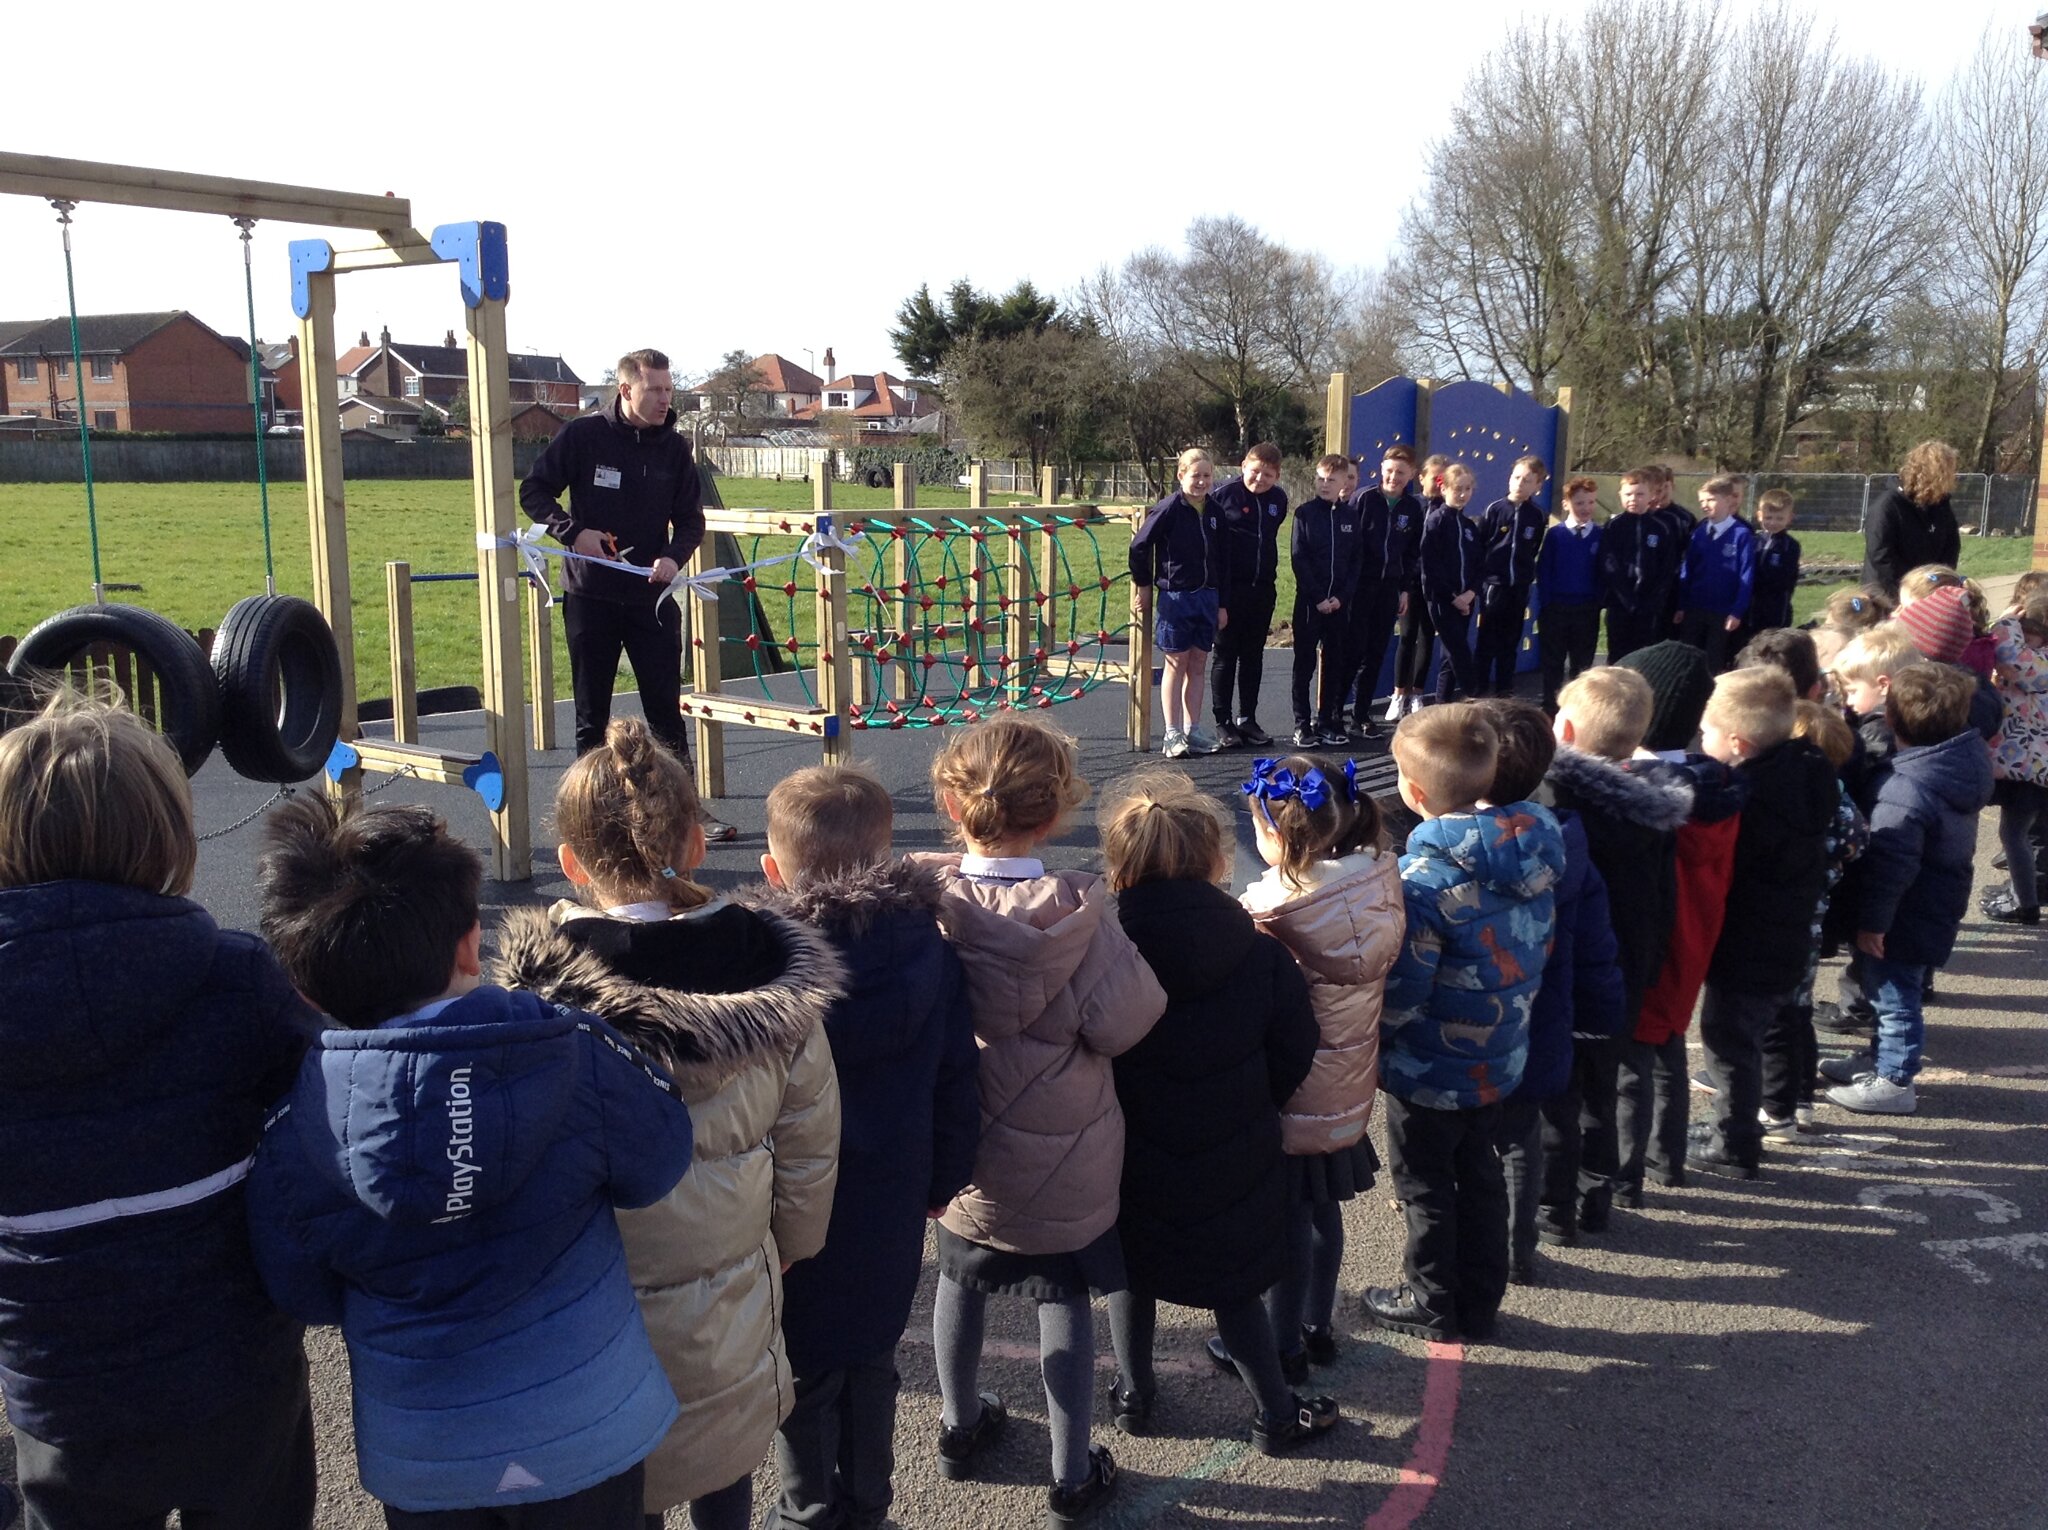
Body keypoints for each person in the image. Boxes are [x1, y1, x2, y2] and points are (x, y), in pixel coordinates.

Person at [247, 791, 696, 1526]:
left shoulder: (297, 1125)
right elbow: (659, 1163)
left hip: (430, 1451)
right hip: (584, 1427)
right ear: (469, 943)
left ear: (303, 986)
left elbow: (298, 1284)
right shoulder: (571, 1049)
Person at [491, 719, 843, 1530]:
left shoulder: (529, 1006)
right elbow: (809, 1141)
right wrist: (793, 1245)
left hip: (596, 1300)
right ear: (693, 842)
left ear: (570, 862)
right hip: (732, 1280)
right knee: (725, 1460)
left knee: (630, 1477)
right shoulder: (771, 976)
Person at [0, 692, 320, 1530]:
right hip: (236, 1361)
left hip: (65, 1385)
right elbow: (326, 1113)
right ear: (167, 837)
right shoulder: (235, 978)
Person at [912, 714, 1166, 1527]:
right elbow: (1125, 1024)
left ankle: (957, 1425)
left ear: (953, 804)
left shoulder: (927, 910)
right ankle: (1070, 1470)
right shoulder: (1080, 917)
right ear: (1055, 812)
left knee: (960, 1276)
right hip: (1067, 1153)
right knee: (1065, 1300)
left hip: (967, 1147)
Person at [751, 766, 980, 1530]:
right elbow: (958, 1074)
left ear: (773, 871)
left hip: (794, 1206)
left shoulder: (769, 972)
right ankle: (869, 1503)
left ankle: (810, 1508)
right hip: (893, 1189)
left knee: (807, 1361)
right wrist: (946, 1177)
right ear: (888, 863)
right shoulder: (931, 952)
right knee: (872, 1355)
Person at [1097, 769, 1339, 1455]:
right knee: (1235, 1287)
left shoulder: (1107, 949)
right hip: (1235, 1144)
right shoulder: (1260, 953)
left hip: (1131, 1147)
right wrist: (1257, 1100)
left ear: (1120, 862)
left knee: (1132, 1276)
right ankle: (1274, 1411)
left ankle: (1135, 1395)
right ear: (1213, 859)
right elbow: (1297, 1045)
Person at [1366, 704, 1562, 1342]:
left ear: (1414, 791)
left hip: (1429, 1068)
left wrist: (1376, 1039)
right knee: (1480, 1172)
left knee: (1424, 1186)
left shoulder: (1422, 882)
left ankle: (1431, 1297)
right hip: (1502, 1054)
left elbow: (1405, 992)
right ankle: (1481, 1295)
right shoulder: (1534, 855)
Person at [520, 349, 734, 839]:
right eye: (654, 390)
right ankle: (591, 818)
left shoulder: (676, 450)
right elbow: (534, 491)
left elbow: (691, 522)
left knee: (665, 711)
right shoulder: (583, 436)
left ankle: (684, 816)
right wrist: (574, 532)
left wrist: (673, 558)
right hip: (591, 597)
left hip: (651, 600)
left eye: (668, 389)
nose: (664, 400)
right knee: (590, 716)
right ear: (625, 390)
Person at [1237, 750, 1403, 1371]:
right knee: (1321, 1214)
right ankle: (1316, 1323)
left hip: (1288, 1097)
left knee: (1282, 1223)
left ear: (1274, 834)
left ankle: (1278, 1346)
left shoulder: (1272, 916)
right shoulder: (1378, 884)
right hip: (1345, 1089)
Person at [1474, 699, 1623, 1283]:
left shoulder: (1449, 850)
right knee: (1521, 1138)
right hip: (1541, 1021)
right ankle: (1517, 1248)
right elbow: (1594, 946)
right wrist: (1601, 1014)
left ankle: (1475, 1249)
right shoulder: (1567, 844)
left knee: (1470, 1145)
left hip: (1467, 1030)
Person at [1541, 668, 1692, 1236]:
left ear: (1568, 729)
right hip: (1625, 969)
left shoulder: (1555, 798)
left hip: (1565, 966)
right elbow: (1664, 897)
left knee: (1558, 1096)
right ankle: (1602, 1193)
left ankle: (1553, 1207)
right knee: (1605, 1089)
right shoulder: (1655, 811)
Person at [1820, 666, 1993, 1114]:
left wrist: (1873, 923)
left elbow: (1891, 866)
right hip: (1932, 900)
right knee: (1887, 990)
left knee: (1895, 997)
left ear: (1893, 719)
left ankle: (1896, 1081)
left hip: (1905, 912)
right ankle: (1878, 1058)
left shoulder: (1905, 790)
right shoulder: (1957, 762)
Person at [1691, 668, 1838, 1174]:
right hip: (1789, 934)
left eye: (1706, 731)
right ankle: (1767, 1113)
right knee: (1761, 1031)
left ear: (1736, 741)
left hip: (1749, 941)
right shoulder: (1807, 771)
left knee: (1729, 1041)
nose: (1700, 739)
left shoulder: (1750, 800)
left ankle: (1734, 1141)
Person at [1613, 642, 1744, 1201]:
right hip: (1698, 931)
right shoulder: (1717, 787)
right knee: (1667, 1041)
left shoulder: (1637, 794)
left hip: (1648, 939)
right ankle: (1667, 1159)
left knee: (1631, 1065)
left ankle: (1624, 1175)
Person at [1131, 448, 1230, 758]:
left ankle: (1193, 729)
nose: (1201, 481)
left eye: (1206, 475)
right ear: (1181, 476)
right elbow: (1139, 547)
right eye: (1195, 475)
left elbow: (1222, 561)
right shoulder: (1169, 509)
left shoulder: (1215, 512)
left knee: (1199, 664)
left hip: (1207, 596)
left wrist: (1221, 603)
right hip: (1176, 597)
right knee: (1176, 664)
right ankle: (1171, 733)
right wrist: (1144, 585)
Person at [1208, 442, 1288, 747]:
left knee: (1253, 656)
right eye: (1255, 471)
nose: (1260, 479)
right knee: (1226, 655)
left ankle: (1248, 719)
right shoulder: (1223, 496)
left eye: (1268, 474)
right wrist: (1220, 599)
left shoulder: (1278, 500)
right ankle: (1223, 721)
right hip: (1230, 590)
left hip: (1262, 588)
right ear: (1244, 466)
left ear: (1277, 475)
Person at [1348, 444, 1425, 736]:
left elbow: (1412, 553)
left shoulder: (1412, 508)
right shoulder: (1364, 499)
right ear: (1381, 470)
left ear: (1412, 474)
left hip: (1389, 588)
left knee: (1376, 652)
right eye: (1390, 471)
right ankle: (1333, 715)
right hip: (1359, 586)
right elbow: (1350, 545)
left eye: (1401, 473)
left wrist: (1404, 589)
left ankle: (1361, 714)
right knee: (1353, 650)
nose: (1394, 477)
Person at [1292, 454, 1366, 747]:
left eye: (1331, 480)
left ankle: (1327, 720)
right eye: (1321, 478)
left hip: (1339, 605)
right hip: (1311, 604)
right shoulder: (1304, 514)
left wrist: (1341, 597)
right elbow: (1299, 559)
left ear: (1344, 482)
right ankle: (1301, 724)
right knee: (1305, 663)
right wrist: (1319, 597)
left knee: (1334, 662)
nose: (1325, 484)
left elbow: (1356, 561)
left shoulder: (1350, 517)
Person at [1985, 591, 2048, 925]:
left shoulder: (2038, 663)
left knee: (2014, 835)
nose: (2022, 640)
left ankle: (2025, 904)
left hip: (2030, 771)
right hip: (2028, 766)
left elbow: (2009, 653)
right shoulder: (2036, 661)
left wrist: (2006, 620)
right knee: (2016, 834)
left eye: (2028, 633)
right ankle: (2022, 896)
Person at [1475, 455, 1550, 695]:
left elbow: (1534, 546)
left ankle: (1505, 688)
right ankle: (1479, 688)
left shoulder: (1537, 515)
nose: (1520, 483)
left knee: (1511, 639)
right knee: (1487, 638)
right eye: (1516, 477)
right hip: (1494, 585)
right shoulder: (1495, 509)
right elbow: (1482, 544)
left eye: (1528, 480)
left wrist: (1524, 573)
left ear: (1538, 486)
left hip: (1519, 585)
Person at [1387, 455, 1451, 720]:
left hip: (1433, 584)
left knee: (1427, 637)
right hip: (1410, 582)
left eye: (1443, 479)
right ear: (1421, 477)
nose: (1437, 484)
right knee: (1407, 637)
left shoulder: (1447, 509)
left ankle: (1417, 693)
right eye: (1433, 477)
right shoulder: (1410, 505)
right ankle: (1399, 694)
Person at [1672, 476, 1756, 673]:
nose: (1705, 505)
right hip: (1695, 606)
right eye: (1702, 501)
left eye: (1711, 500)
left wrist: (1737, 610)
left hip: (1722, 610)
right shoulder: (1699, 532)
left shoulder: (1741, 534)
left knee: (1714, 658)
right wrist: (1682, 604)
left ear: (1728, 500)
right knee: (1689, 656)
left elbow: (1746, 575)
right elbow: (1688, 569)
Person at [1416, 462, 1484, 703]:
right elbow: (1431, 565)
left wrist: (1470, 593)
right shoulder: (1436, 521)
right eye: (1457, 488)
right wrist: (1453, 597)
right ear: (1444, 489)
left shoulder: (1469, 527)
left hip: (1466, 601)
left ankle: (1442, 707)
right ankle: (1474, 693)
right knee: (1458, 648)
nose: (1463, 494)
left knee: (1449, 657)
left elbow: (1478, 565)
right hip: (1443, 600)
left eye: (1467, 489)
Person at [1600, 468, 1683, 663]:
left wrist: (1654, 598)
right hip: (1620, 604)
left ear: (1651, 496)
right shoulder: (1614, 527)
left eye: (1640, 494)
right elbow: (1609, 564)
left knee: (1644, 654)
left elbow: (1667, 567)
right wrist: (1624, 597)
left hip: (1649, 605)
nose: (1633, 499)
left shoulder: (1661, 528)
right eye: (1628, 494)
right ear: (1620, 495)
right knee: (1618, 653)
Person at [1536, 476, 1603, 713]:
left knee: (1582, 664)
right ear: (1566, 504)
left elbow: (1603, 571)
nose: (1586, 508)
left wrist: (1597, 601)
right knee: (1553, 662)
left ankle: (1578, 709)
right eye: (1580, 503)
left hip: (1586, 609)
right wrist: (1547, 603)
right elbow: (1544, 570)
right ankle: (1550, 708)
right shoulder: (1556, 535)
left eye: (1591, 502)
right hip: (1556, 609)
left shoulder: (1600, 535)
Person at [1862, 440, 1962, 600]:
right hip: (1887, 596)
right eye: (1950, 471)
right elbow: (1881, 556)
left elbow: (1950, 548)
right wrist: (1910, 589)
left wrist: (1940, 582)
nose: (1954, 477)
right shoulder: (1887, 506)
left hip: (1927, 593)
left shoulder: (1941, 506)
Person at [1748, 489, 1802, 636]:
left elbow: (1787, 579)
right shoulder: (1752, 540)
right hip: (1749, 607)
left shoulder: (1790, 545)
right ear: (1759, 515)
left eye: (1779, 518)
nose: (1773, 523)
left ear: (1789, 518)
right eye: (1768, 517)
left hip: (1775, 608)